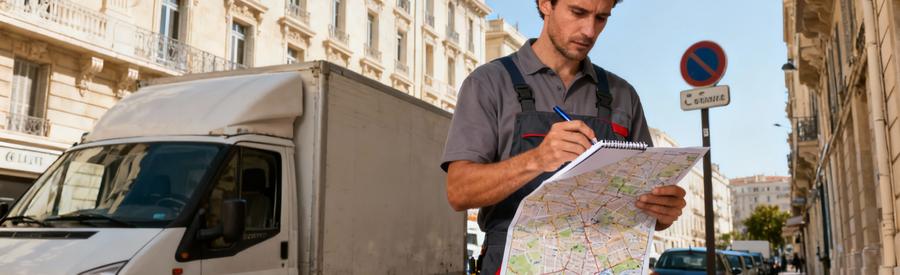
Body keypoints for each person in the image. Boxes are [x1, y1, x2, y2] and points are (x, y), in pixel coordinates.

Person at [441, 0, 688, 274]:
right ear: (545, 4)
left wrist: (664, 211)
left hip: (605, 263)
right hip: (514, 263)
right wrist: (536, 159)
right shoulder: (488, 83)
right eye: (578, 12)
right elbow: (459, 191)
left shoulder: (624, 96)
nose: (590, 31)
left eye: (601, 18)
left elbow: (643, 204)